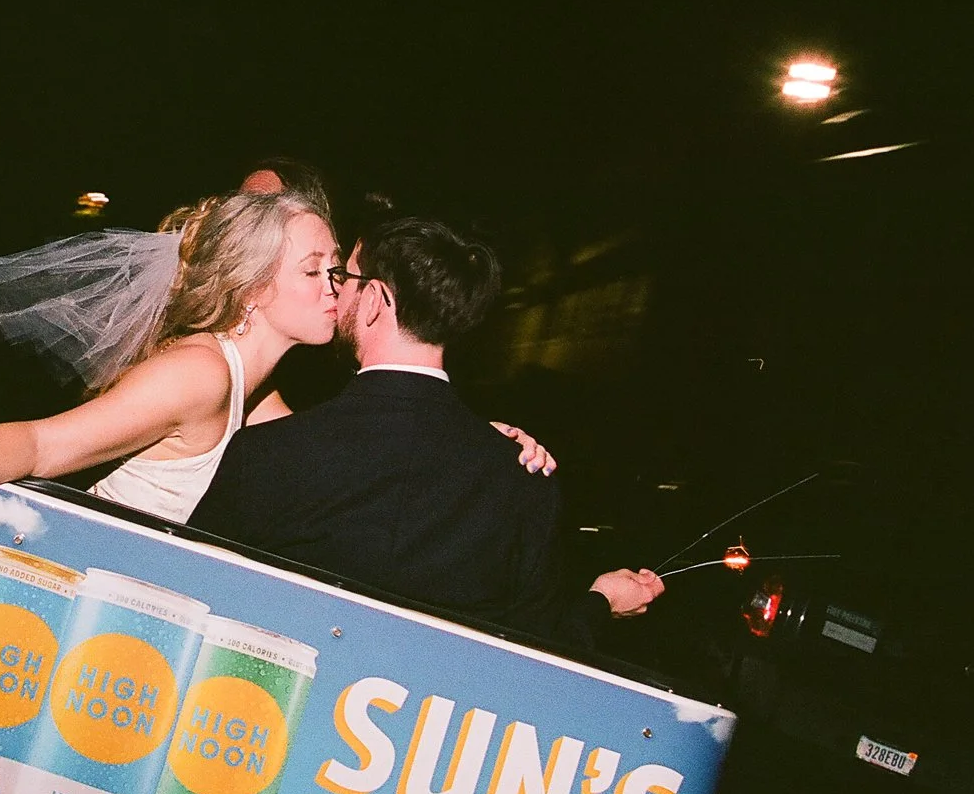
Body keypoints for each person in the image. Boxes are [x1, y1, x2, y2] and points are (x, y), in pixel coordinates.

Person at [0, 187, 553, 523]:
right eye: (314, 270)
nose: (338, 286)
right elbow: (41, 445)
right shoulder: (198, 373)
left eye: (336, 268)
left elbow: (353, 455)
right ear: (253, 289)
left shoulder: (255, 390)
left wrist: (475, 442)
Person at [185, 211, 662, 648]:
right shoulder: (523, 483)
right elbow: (539, 653)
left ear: (374, 300)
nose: (337, 292)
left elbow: (190, 594)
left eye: (345, 277)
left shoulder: (271, 452)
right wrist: (600, 602)